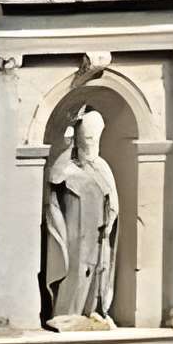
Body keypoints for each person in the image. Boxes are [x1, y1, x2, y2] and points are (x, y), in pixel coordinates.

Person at [43, 106, 119, 327]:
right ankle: (67, 313)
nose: (92, 142)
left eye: (95, 137)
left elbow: (112, 198)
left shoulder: (102, 167)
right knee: (74, 272)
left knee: (98, 270)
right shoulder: (65, 168)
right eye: (87, 137)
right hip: (75, 234)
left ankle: (91, 310)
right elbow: (53, 189)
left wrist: (111, 218)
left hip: (98, 233)